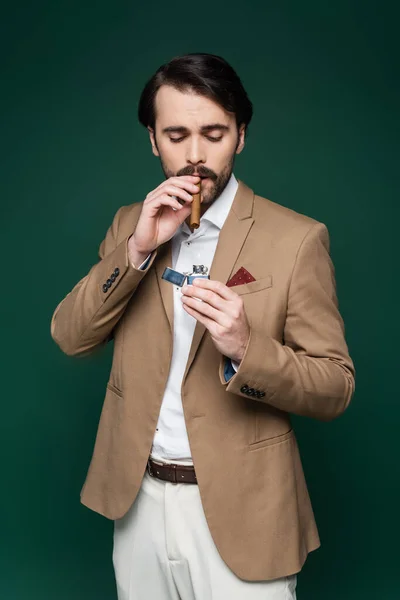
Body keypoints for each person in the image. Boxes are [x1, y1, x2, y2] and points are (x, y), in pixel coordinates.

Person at [51, 53, 355, 600]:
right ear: (152, 139)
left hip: (246, 512)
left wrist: (246, 349)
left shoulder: (298, 239)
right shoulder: (129, 224)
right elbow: (71, 338)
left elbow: (335, 387)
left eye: (214, 133)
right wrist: (138, 251)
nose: (194, 157)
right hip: (137, 503)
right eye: (176, 135)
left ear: (241, 135)